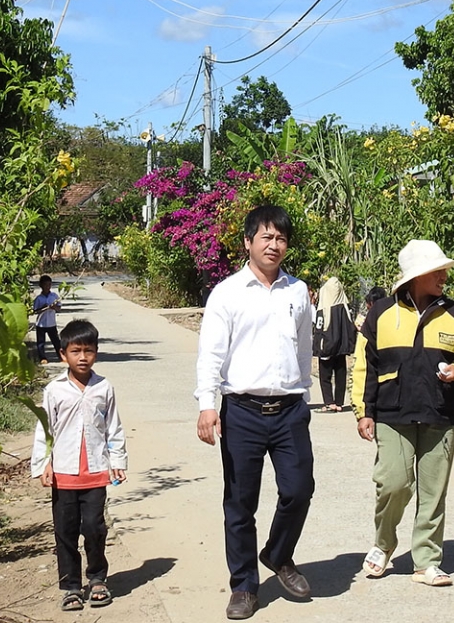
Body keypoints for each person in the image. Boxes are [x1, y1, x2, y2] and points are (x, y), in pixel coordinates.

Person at [195, 205, 315, 620]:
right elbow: (210, 354)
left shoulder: (297, 291)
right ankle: (244, 585)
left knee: (299, 489)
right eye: (266, 237)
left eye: (281, 238)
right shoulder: (226, 293)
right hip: (241, 412)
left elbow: (304, 351)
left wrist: (305, 396)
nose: (274, 245)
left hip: (289, 411)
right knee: (240, 504)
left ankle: (278, 554)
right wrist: (207, 406)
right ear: (248, 242)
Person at [351, 240, 454, 587]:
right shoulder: (381, 313)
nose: (444, 276)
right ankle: (384, 544)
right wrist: (363, 411)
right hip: (392, 413)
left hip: (439, 413)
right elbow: (364, 366)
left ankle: (426, 560)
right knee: (393, 483)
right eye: (437, 271)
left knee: (433, 490)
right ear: (416, 276)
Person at [30, 319, 128, 612]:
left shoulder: (104, 388)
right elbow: (44, 429)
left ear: (96, 352)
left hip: (97, 472)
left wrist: (118, 461)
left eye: (88, 350)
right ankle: (71, 586)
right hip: (64, 474)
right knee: (65, 530)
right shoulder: (54, 390)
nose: (83, 357)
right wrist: (43, 465)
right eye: (76, 351)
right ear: (63, 355)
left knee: (95, 527)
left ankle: (97, 579)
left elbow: (114, 427)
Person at [313, 275, 356, 412]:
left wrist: (318, 347)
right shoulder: (345, 305)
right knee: (340, 373)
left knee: (325, 375)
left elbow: (320, 327)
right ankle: (339, 403)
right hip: (342, 347)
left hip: (327, 345)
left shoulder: (324, 306)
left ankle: (329, 403)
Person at [33, 275, 62, 364]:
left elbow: (59, 308)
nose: (47, 287)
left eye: (49, 285)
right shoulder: (39, 298)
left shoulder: (54, 296)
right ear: (41, 285)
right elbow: (36, 311)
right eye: (45, 285)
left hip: (51, 323)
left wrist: (54, 307)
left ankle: (61, 356)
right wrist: (43, 308)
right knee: (41, 342)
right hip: (41, 323)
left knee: (56, 341)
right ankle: (42, 357)